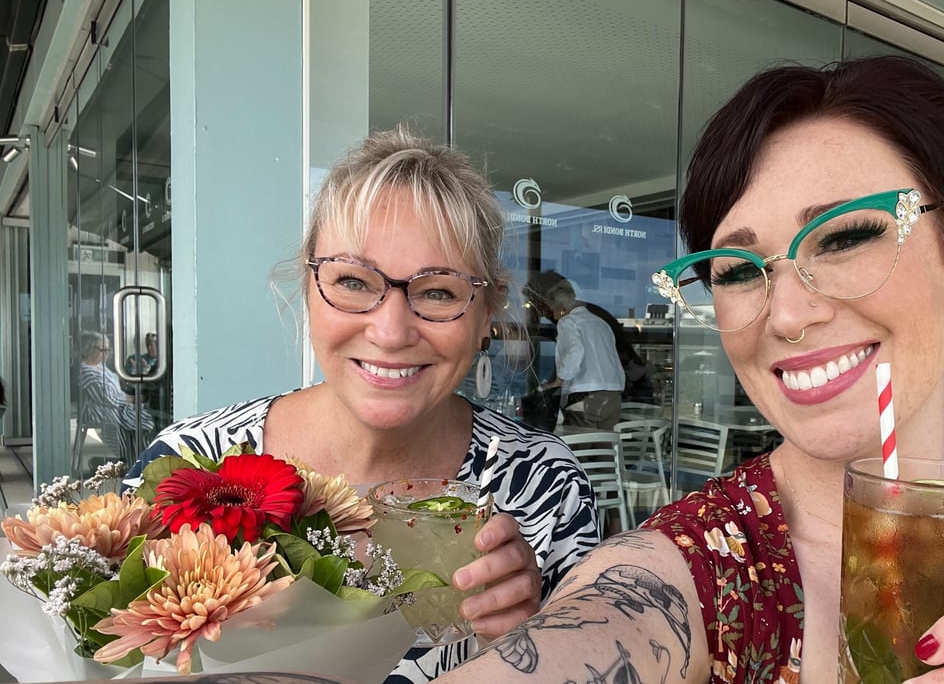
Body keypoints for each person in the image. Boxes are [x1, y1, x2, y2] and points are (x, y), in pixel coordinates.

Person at [438, 57, 944, 682]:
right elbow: (590, 633)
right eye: (737, 269)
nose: (788, 314)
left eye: (842, 237)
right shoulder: (701, 563)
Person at [124, 128, 602, 682]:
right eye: (352, 280)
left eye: (440, 291)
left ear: (487, 311)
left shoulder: (545, 488)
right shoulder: (188, 462)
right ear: (308, 285)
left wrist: (536, 646)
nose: (392, 330)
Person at [523, 271, 626, 429]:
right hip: (613, 394)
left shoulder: (567, 322)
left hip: (585, 396)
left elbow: (575, 352)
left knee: (579, 449)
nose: (554, 317)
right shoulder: (601, 323)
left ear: (562, 308)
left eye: (553, 311)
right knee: (604, 448)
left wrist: (559, 381)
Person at [77, 331, 157, 461]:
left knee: (148, 417)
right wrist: (134, 400)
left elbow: (117, 391)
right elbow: (110, 398)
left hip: (117, 406)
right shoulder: (86, 372)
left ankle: (139, 457)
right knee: (145, 422)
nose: (107, 354)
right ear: (88, 349)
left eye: (108, 350)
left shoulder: (99, 366)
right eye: (103, 349)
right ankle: (137, 459)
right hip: (103, 411)